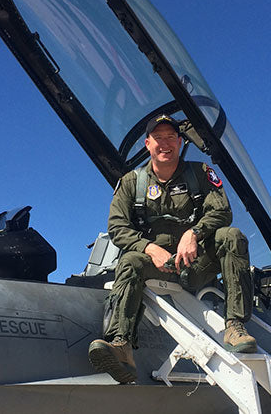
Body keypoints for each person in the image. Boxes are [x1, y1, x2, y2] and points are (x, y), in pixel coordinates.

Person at [88, 114, 255, 384]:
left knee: (231, 236)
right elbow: (118, 227)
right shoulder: (132, 182)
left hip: (198, 263)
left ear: (179, 142)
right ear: (147, 144)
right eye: (158, 138)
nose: (164, 144)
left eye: (170, 138)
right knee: (130, 260)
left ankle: (235, 326)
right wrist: (149, 248)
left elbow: (222, 212)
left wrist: (195, 233)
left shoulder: (200, 174)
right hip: (158, 265)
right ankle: (121, 347)